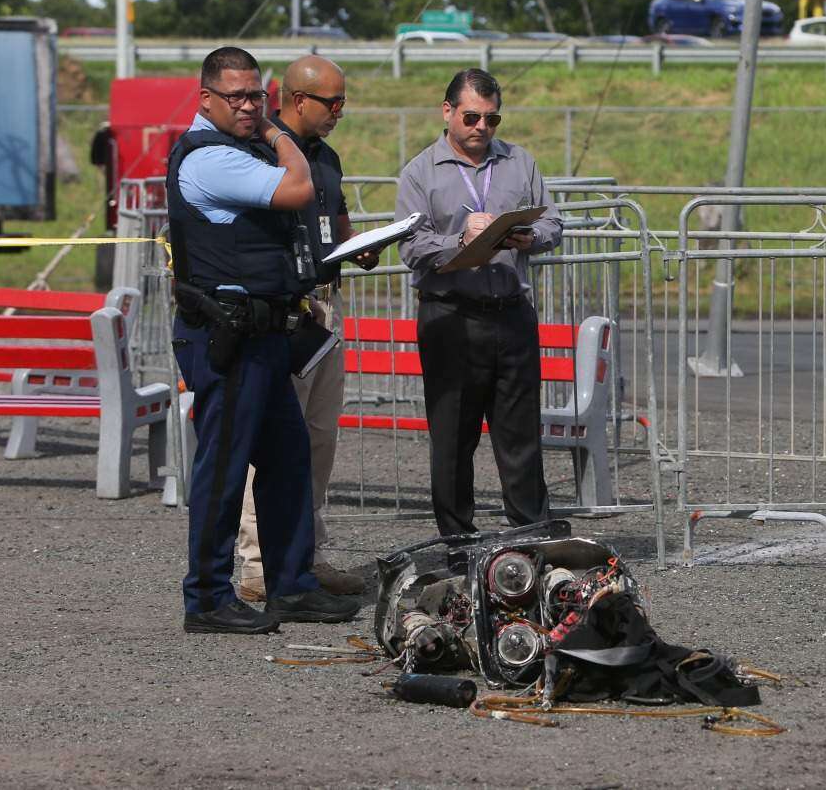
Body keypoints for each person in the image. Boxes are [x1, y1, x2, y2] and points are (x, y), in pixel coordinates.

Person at [168, 46, 360, 633]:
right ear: (206, 99)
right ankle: (207, 597)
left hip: (265, 335)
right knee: (224, 469)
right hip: (228, 336)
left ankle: (292, 586)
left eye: (257, 95)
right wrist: (279, 132)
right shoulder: (210, 158)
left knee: (287, 461)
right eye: (238, 97)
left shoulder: (235, 150)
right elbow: (299, 187)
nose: (250, 106)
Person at [395, 68, 563, 550]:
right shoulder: (420, 172)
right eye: (471, 117)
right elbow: (411, 246)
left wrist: (530, 235)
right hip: (450, 314)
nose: (482, 127)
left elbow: (553, 221)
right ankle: (458, 542)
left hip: (511, 311)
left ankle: (530, 538)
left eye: (492, 119)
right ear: (447, 111)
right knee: (453, 437)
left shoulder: (519, 161)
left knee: (520, 434)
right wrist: (460, 240)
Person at [233, 55, 372, 603]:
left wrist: (359, 245)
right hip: (285, 310)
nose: (339, 112)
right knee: (270, 442)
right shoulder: (260, 152)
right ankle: (256, 564)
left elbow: (336, 223)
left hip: (325, 305)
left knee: (318, 439)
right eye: (331, 103)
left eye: (344, 103)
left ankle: (304, 557)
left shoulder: (327, 157)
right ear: (297, 99)